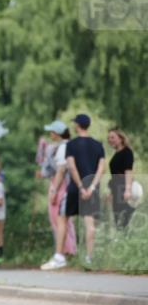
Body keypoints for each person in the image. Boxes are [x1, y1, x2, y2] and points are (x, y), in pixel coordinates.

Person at [64, 114, 105, 268]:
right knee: (90, 224)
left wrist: (81, 187)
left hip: (76, 188)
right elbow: (101, 168)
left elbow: (71, 166)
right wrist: (92, 187)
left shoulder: (71, 144)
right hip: (92, 188)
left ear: (77, 125)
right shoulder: (98, 145)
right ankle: (89, 257)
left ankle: (62, 255)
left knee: (63, 220)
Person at [39, 121, 77, 270]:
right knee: (59, 219)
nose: (50, 134)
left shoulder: (63, 148)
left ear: (57, 133)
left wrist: (54, 190)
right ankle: (64, 252)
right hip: (59, 184)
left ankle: (65, 253)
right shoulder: (58, 147)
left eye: (52, 132)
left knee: (61, 219)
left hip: (61, 185)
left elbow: (60, 171)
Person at [106, 128, 135, 229]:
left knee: (122, 216)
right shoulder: (117, 153)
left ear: (121, 138)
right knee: (117, 216)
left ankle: (125, 235)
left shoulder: (127, 152)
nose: (110, 140)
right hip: (116, 187)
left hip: (122, 186)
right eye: (108, 138)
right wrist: (111, 191)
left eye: (113, 137)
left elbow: (128, 171)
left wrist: (128, 190)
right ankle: (121, 235)